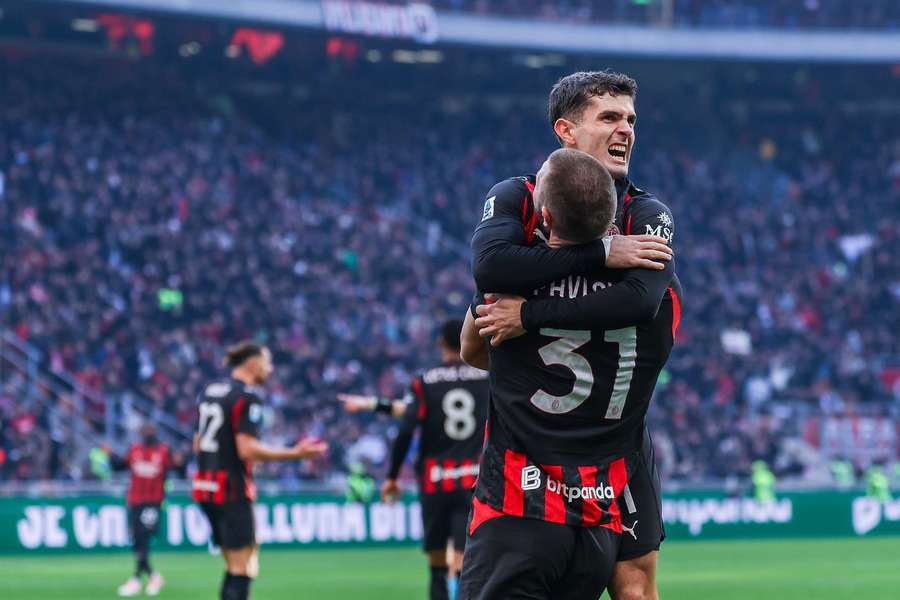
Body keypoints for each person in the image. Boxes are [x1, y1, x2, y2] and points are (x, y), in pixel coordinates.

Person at [461, 71, 683, 600]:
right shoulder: (519, 194)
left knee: (635, 586)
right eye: (609, 117)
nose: (625, 128)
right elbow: (490, 268)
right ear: (566, 130)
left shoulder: (647, 212)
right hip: (567, 448)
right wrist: (603, 254)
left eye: (630, 118)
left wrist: (530, 313)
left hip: (617, 444)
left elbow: (640, 299)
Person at [344, 320, 489, 600]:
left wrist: (392, 477)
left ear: (439, 343)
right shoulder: (485, 378)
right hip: (472, 480)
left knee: (436, 561)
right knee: (463, 558)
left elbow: (407, 428)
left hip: (435, 482)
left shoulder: (425, 381)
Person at [192, 341, 328, 600]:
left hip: (205, 488)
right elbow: (247, 450)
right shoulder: (247, 397)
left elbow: (198, 445)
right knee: (242, 568)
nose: (270, 370)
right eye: (267, 363)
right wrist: (295, 453)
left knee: (234, 565)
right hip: (231, 489)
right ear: (253, 364)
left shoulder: (210, 391)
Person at [106, 422, 183, 597]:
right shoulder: (134, 450)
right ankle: (150, 577)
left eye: (150, 431)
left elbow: (179, 469)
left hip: (153, 501)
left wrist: (181, 462)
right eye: (145, 431)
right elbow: (119, 467)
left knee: (143, 536)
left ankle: (138, 579)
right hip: (135, 501)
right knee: (138, 539)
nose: (148, 434)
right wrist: (110, 456)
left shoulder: (164, 451)